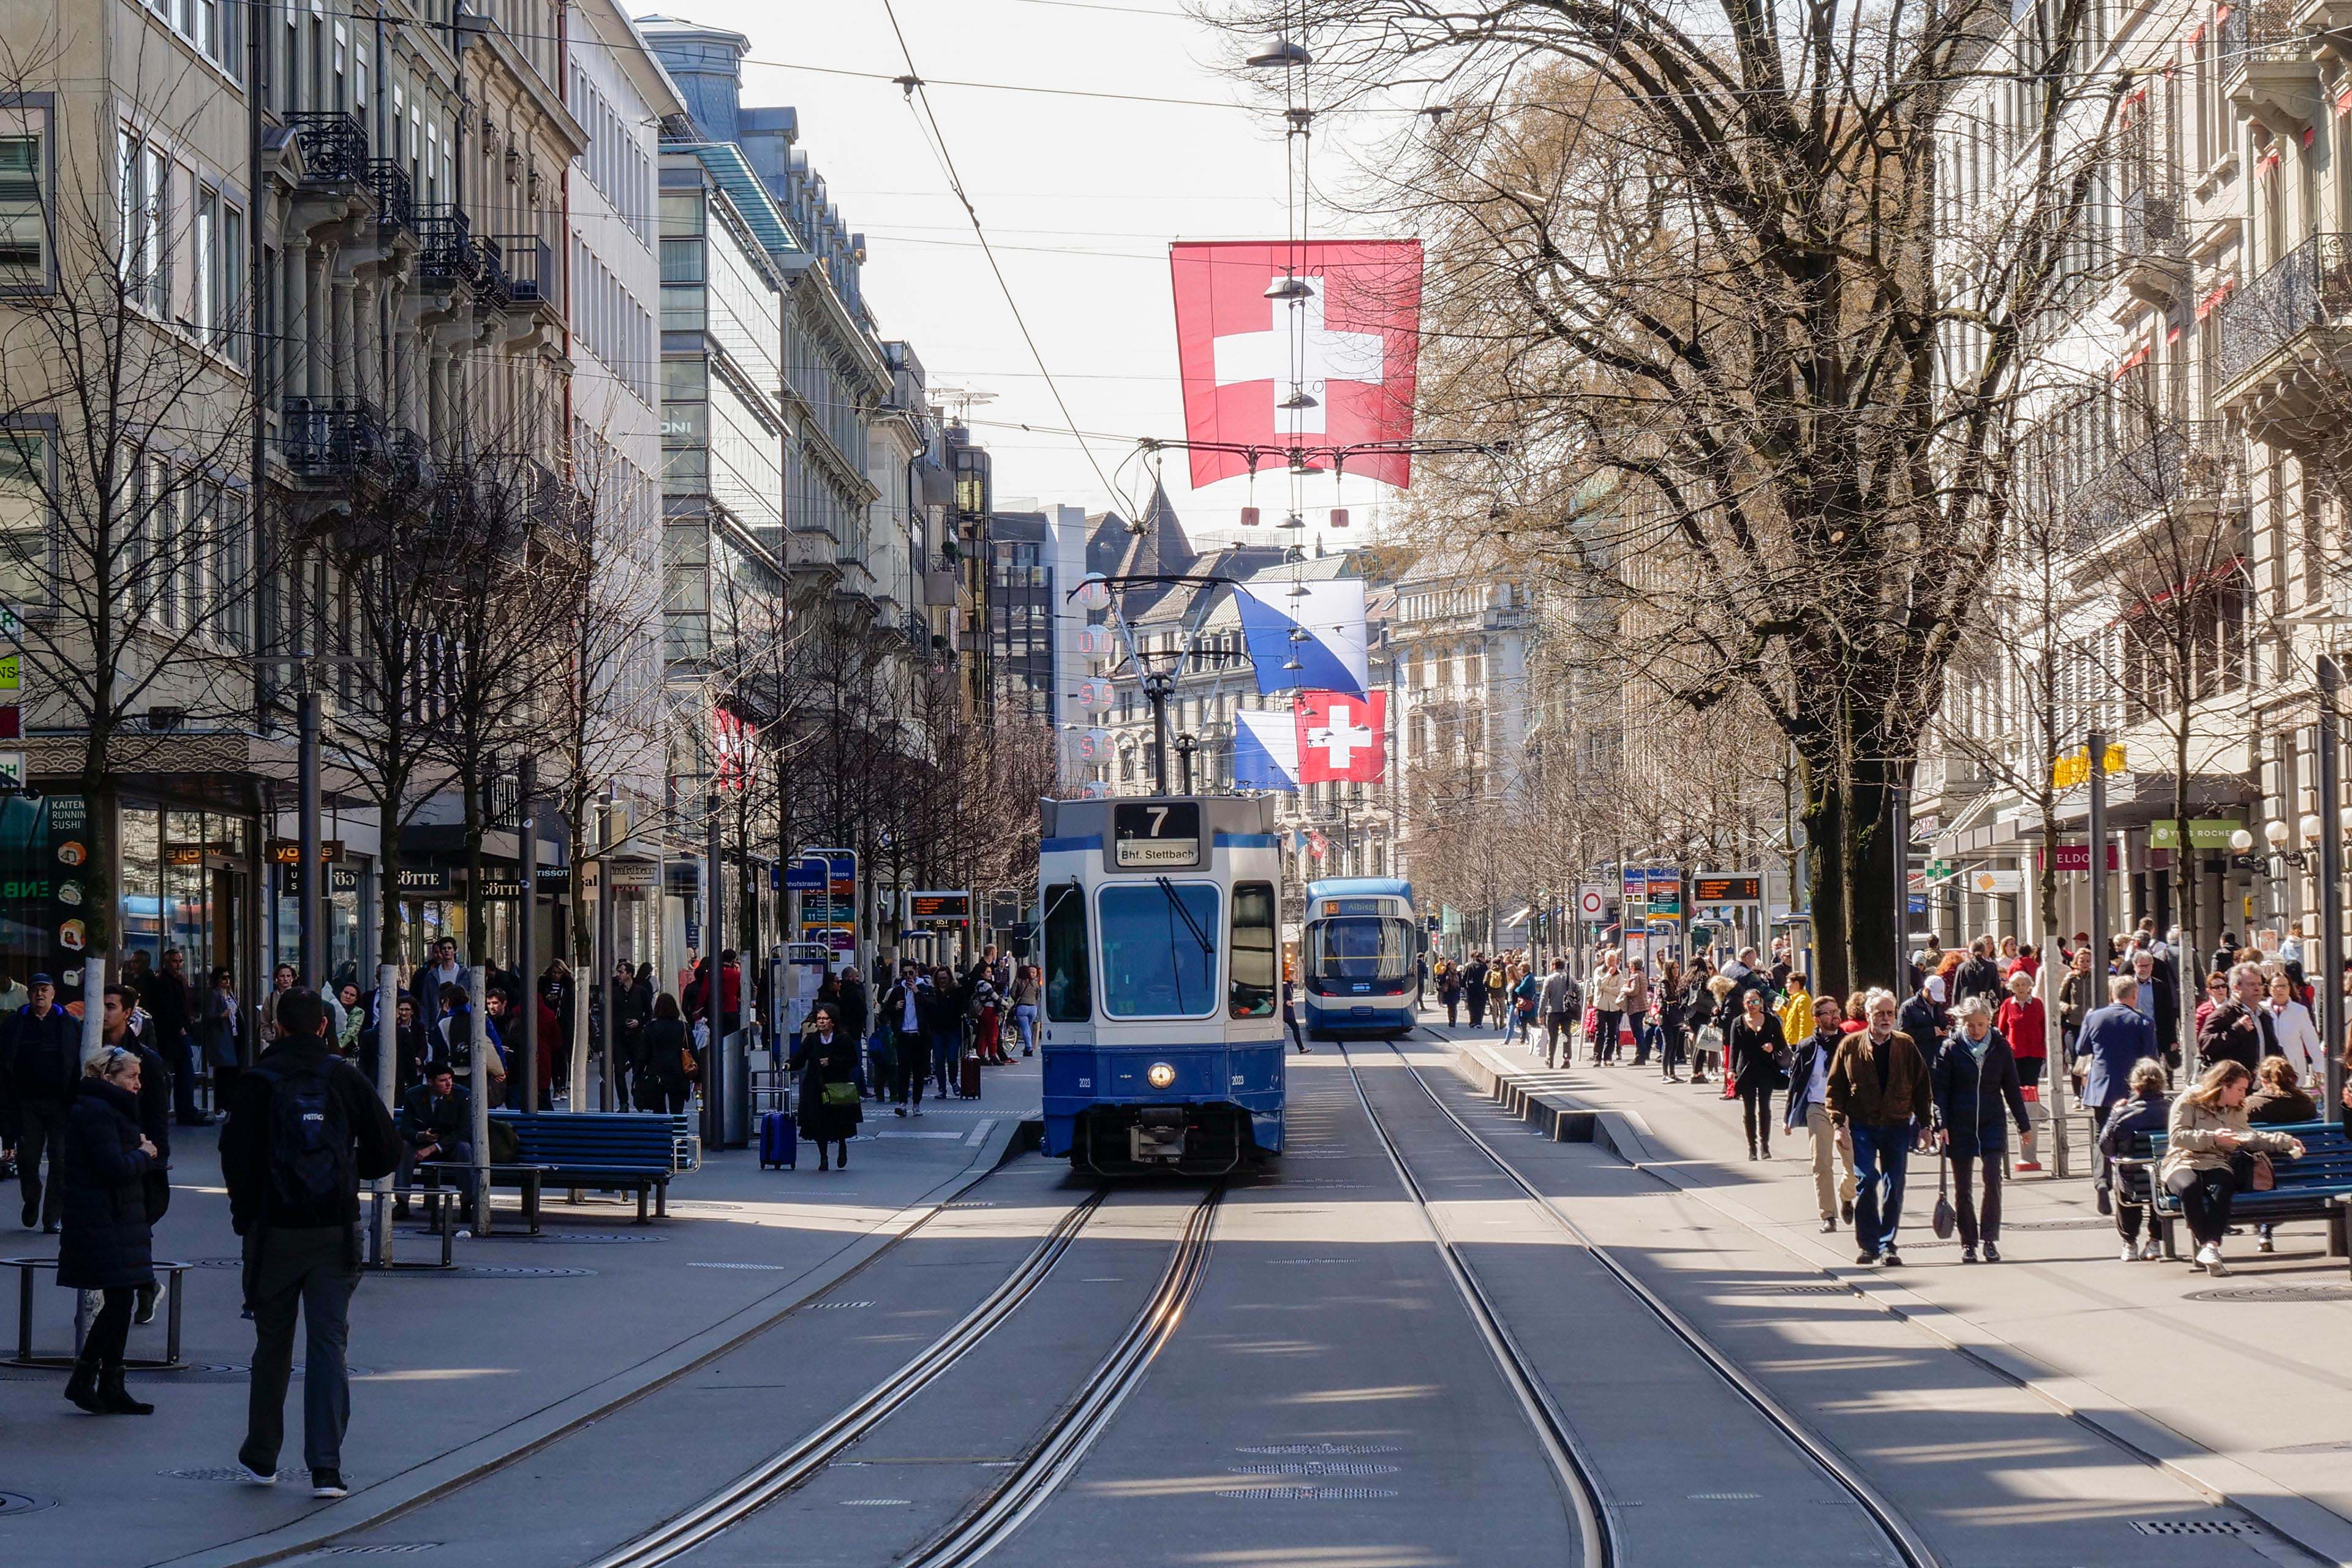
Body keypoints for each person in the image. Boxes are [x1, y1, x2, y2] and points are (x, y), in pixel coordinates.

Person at [221, 988, 402, 1498]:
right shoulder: (345, 1078)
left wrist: (247, 1220)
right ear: (324, 1027)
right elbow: (387, 1150)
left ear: (277, 1028)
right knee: (328, 1345)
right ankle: (326, 1467)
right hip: (333, 1231)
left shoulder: (256, 1082)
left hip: (273, 1232)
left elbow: (236, 1160)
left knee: (271, 1346)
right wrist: (347, 1172)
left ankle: (261, 1456)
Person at [57, 1044, 161, 1415]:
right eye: (131, 1077)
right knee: (119, 1301)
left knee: (121, 1300)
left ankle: (106, 1382)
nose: (137, 1085)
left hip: (114, 1219)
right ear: (108, 1077)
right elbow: (112, 1166)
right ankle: (87, 1380)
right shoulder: (98, 1112)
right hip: (103, 1219)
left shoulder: (106, 1108)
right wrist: (144, 1154)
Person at [2160, 1058, 2307, 1276]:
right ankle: (2208, 1245)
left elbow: (2250, 1137)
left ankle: (2211, 1248)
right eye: (2239, 1089)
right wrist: (2213, 1138)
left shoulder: (2236, 1109)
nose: (2243, 1095)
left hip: (2216, 1162)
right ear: (2223, 1085)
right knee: (2190, 1187)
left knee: (2224, 1184)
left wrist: (2285, 1141)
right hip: (2181, 1160)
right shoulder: (2189, 1100)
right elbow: (2178, 1137)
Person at [1825, 989, 1933, 1267]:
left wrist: (1925, 1125)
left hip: (1897, 1124)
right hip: (1862, 1125)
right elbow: (1835, 1088)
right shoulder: (1850, 1046)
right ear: (1869, 1016)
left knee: (1894, 1184)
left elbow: (1922, 1088)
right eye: (1880, 1013)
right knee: (1867, 1180)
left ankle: (1887, 1245)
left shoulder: (1906, 1045)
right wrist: (1839, 1124)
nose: (1886, 1018)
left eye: (1890, 1013)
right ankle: (1868, 1244)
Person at [1929, 996, 2031, 1263]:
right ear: (1963, 1023)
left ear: (1990, 1023)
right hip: (1960, 1124)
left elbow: (2011, 1088)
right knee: (1963, 1188)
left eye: (1981, 1025)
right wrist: (1942, 1124)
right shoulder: (1951, 1048)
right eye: (1971, 1025)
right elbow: (1940, 1091)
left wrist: (2024, 1124)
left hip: (1991, 1122)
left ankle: (1989, 1239)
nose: (1976, 1030)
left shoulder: (2000, 1047)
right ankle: (1968, 1242)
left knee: (1993, 1180)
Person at [4, 974, 81, 1231]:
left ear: (53, 993)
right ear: (29, 995)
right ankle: (32, 1197)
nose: (40, 994)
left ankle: (52, 1217)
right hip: (27, 1102)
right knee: (27, 1159)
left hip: (60, 1102)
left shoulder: (68, 1023)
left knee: (60, 1159)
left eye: (44, 990)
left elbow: (77, 1061)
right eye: (35, 990)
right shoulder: (15, 1023)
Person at [1784, 994, 1858, 1232]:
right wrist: (1788, 1116)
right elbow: (1796, 1082)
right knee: (1821, 1163)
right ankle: (1828, 1215)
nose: (1835, 1016)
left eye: (1837, 1011)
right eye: (1829, 1012)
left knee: (1854, 1164)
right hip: (1818, 1107)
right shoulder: (1807, 1047)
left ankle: (1847, 1196)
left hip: (1846, 1110)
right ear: (1817, 1019)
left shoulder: (1850, 1043)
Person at [2098, 1058, 2173, 1261]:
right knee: (2158, 1186)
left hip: (2133, 1178)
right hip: (2164, 1176)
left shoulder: (2123, 1114)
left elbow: (2106, 1147)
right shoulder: (2172, 1110)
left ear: (2134, 1084)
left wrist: (2114, 1114)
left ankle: (2129, 1242)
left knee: (2125, 1178)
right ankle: (2156, 1241)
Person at [2244, 1054, 2320, 1254]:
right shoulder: (2307, 1104)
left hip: (2263, 1173)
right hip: (2304, 1171)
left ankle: (2264, 1228)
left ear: (2264, 1080)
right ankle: (2265, 1228)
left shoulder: (2252, 1105)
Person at [394, 1062, 473, 1218]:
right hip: (422, 1144)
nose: (448, 1083)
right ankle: (402, 1203)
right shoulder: (414, 1096)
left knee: (464, 1149)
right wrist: (421, 1135)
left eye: (450, 1079)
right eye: (442, 1080)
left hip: (449, 1145)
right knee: (404, 1147)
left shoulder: (462, 1095)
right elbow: (405, 1128)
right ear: (430, 1082)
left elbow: (464, 1132)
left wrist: (434, 1147)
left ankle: (466, 1204)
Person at [792, 1004, 860, 1169]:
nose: (821, 1022)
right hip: (816, 1086)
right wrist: (790, 1065)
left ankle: (842, 1146)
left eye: (825, 1019)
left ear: (833, 1021)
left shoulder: (844, 1039)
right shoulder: (812, 1039)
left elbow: (853, 1060)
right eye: (819, 1019)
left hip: (837, 1085)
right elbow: (800, 1058)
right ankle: (823, 1157)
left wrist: (832, 1062)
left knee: (839, 1121)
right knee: (818, 1122)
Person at [1994, 969, 2048, 1170]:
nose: (2021, 988)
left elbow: (2044, 1027)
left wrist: (2046, 1048)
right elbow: (2002, 1030)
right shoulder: (2008, 1005)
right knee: (2016, 1088)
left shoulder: (2038, 1004)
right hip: (2015, 1052)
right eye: (2017, 985)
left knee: (2031, 1087)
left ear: (2029, 986)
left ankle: (2033, 1115)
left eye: (2024, 985)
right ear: (2012, 988)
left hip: (2034, 1052)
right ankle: (2018, 1115)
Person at [149, 948, 208, 1126]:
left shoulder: (178, 981)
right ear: (167, 963)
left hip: (180, 1032)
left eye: (180, 961)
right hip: (173, 1035)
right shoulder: (164, 983)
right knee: (183, 1074)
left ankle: (186, 1111)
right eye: (175, 961)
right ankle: (185, 1112)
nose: (179, 965)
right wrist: (181, 1029)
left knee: (185, 1074)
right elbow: (167, 1010)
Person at [1726, 986, 1786, 1160]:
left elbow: (1782, 1042)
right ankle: (1752, 1147)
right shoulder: (1738, 1022)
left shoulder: (1771, 1020)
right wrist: (1731, 1070)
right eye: (1749, 1002)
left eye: (1756, 1002)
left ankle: (1765, 1146)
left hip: (1766, 1069)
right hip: (1746, 1070)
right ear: (1744, 1004)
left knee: (1765, 1107)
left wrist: (1772, 1046)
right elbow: (1734, 1048)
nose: (1752, 1005)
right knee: (1749, 1109)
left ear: (1761, 1003)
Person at [2196, 962, 2274, 1077]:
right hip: (2232, 1085)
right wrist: (2236, 1030)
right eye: (2251, 984)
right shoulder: (2225, 1014)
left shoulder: (2264, 1016)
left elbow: (2273, 1048)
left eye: (2260, 984)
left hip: (2260, 1085)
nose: (2257, 989)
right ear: (2236, 988)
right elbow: (2205, 1044)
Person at [2261, 971, 2326, 1088]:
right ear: (2269, 988)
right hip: (2267, 1068)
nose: (2280, 990)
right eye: (2276, 986)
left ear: (2290, 988)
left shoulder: (2299, 1011)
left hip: (2293, 1068)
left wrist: (2318, 1066)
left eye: (2284, 986)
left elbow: (2311, 1040)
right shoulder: (2261, 1010)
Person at [635, 994, 693, 1114]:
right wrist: (698, 1078)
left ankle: (662, 1132)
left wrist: (638, 1075)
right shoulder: (683, 1027)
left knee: (659, 1113)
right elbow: (694, 1052)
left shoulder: (651, 1027)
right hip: (679, 1075)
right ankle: (676, 1132)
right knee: (677, 1112)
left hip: (656, 1076)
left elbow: (643, 1055)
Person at [199, 966, 245, 1109]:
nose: (227, 981)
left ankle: (230, 1102)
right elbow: (207, 1017)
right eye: (223, 978)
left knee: (233, 1071)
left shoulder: (230, 994)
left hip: (234, 1036)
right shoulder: (214, 995)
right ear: (216, 980)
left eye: (229, 978)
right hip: (222, 1038)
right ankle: (221, 1104)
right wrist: (221, 1016)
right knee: (224, 1073)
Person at [1538, 960, 1577, 1069]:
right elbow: (1579, 991)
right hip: (1567, 1012)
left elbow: (1544, 998)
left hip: (1553, 1012)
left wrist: (1540, 1013)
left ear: (1554, 966)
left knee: (1553, 1036)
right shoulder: (1570, 978)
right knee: (1566, 1035)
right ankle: (1567, 1059)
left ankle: (1550, 1059)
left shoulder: (1549, 980)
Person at [1589, 953, 1626, 1066]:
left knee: (1612, 1033)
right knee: (1600, 1032)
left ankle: (1608, 1057)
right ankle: (1597, 1058)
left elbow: (1619, 990)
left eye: (1613, 961)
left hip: (1614, 1007)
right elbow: (1599, 985)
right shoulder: (1598, 971)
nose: (1611, 963)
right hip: (1601, 1005)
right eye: (1609, 961)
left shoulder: (1619, 974)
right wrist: (1608, 975)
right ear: (1605, 960)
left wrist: (1606, 988)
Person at [1952, 938, 2003, 1009]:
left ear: (1970, 951)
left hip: (1967, 1006)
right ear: (1984, 951)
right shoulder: (1991, 967)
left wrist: (1955, 1009)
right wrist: (2000, 1006)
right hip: (1985, 1006)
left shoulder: (1962, 967)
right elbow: (1997, 989)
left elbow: (1957, 991)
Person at [1009, 964, 1040, 1057]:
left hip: (1022, 1007)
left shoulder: (1018, 981)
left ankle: (1029, 1048)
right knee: (1028, 1027)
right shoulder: (1034, 983)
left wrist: (1017, 999)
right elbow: (1038, 995)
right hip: (1033, 1008)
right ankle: (1028, 1047)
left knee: (1025, 1029)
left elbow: (1012, 992)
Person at [1463, 954, 1490, 1030]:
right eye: (1483, 957)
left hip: (1471, 989)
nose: (1484, 959)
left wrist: (1463, 986)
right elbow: (1486, 979)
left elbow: (1465, 976)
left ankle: (1473, 1022)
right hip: (1481, 989)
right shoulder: (1483, 966)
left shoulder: (1470, 966)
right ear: (1479, 958)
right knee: (1481, 1006)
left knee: (1472, 1006)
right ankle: (1479, 1022)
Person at [1437, 960, 1461, 1027]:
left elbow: (1461, 982)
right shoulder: (1446, 973)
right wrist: (1446, 979)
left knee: (1455, 1007)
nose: (1454, 966)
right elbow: (1441, 981)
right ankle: (1450, 1020)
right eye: (1452, 964)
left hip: (1455, 991)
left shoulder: (1458, 974)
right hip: (1448, 992)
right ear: (1449, 966)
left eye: (1454, 964)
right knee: (1450, 1007)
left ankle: (1454, 1021)